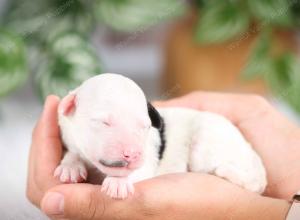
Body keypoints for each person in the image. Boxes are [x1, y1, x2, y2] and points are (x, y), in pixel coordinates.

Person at [27, 92, 300, 219]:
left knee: (205, 147)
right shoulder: (76, 130)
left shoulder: (179, 129)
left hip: (207, 147)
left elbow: (140, 173)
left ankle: (241, 179)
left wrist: (257, 212)